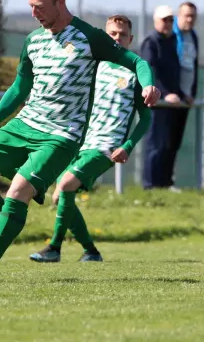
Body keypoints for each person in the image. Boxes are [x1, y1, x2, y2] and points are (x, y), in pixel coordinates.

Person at [0, 0, 159, 284]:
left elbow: (136, 62)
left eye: (39, 6)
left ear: (60, 1)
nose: (34, 13)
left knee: (19, 192)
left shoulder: (89, 37)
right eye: (30, 6)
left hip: (60, 135)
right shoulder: (33, 41)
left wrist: (148, 86)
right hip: (24, 124)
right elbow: (18, 89)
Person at [28, 15, 153, 263]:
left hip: (107, 147)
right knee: (60, 196)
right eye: (112, 34)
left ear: (131, 39)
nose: (117, 38)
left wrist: (127, 146)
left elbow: (146, 118)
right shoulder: (92, 65)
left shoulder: (133, 73)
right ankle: (91, 252)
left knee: (64, 186)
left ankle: (54, 248)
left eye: (122, 34)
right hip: (81, 141)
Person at [141, 5, 188, 190]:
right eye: (164, 20)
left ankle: (163, 183)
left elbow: (173, 73)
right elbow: (150, 72)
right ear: (156, 21)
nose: (167, 23)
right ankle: (150, 184)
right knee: (155, 144)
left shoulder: (172, 41)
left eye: (170, 20)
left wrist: (183, 95)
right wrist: (166, 94)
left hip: (170, 103)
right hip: (156, 102)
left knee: (166, 145)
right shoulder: (150, 42)